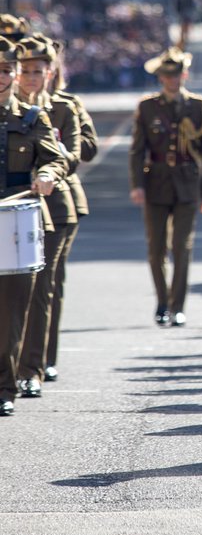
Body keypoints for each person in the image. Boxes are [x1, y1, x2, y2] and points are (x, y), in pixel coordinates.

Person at [0, 36, 66, 417]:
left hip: (16, 219)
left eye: (8, 70)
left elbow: (55, 160)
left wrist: (45, 174)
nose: (4, 77)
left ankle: (6, 387)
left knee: (13, 308)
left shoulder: (30, 117)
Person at [129, 46, 202, 326]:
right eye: (167, 75)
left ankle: (178, 306)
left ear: (184, 74)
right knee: (156, 249)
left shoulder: (198, 106)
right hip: (155, 182)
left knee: (181, 246)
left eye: (176, 74)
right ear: (160, 77)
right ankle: (162, 302)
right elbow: (137, 150)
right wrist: (137, 185)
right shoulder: (147, 107)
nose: (172, 79)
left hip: (187, 183)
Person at [15, 36, 81, 397]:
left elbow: (72, 153)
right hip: (11, 205)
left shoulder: (62, 108)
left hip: (54, 207)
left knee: (42, 287)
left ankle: (32, 368)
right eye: (23, 71)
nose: (29, 77)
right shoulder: (6, 108)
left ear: (49, 73)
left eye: (36, 71)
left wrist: (48, 173)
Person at [44, 38, 98, 381]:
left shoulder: (67, 104)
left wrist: (60, 147)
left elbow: (86, 149)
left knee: (48, 280)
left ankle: (40, 357)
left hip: (59, 196)